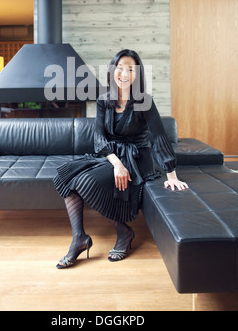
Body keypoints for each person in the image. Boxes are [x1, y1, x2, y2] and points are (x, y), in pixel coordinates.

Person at [53, 49, 188, 268]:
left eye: (131, 69)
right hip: (112, 156)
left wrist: (171, 173)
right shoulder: (103, 100)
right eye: (120, 67)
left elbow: (159, 137)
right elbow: (99, 136)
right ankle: (79, 238)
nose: (124, 73)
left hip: (136, 158)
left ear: (138, 74)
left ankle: (124, 232)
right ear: (113, 71)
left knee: (86, 181)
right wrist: (116, 163)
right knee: (67, 174)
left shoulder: (144, 101)